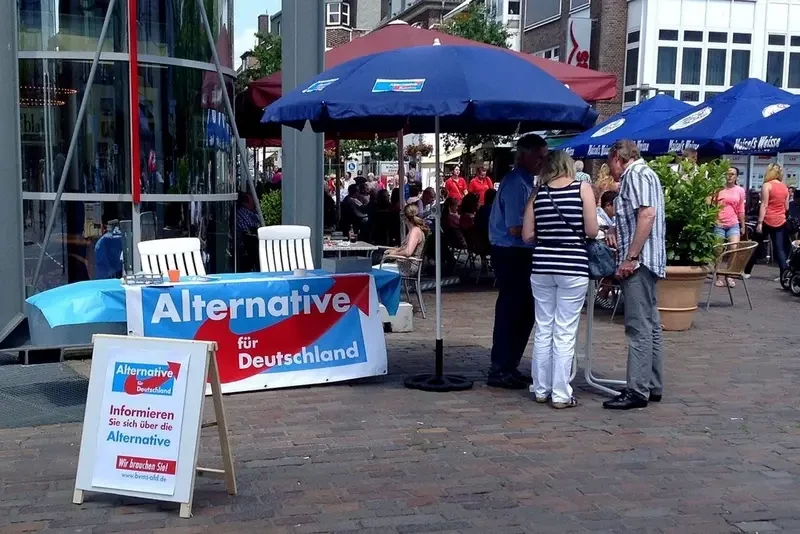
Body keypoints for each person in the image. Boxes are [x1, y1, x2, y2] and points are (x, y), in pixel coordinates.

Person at [522, 150, 598, 408]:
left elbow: (527, 236)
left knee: (544, 328)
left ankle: (541, 389)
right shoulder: (582, 189)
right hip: (573, 265)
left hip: (542, 265)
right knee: (565, 331)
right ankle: (561, 393)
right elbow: (591, 229)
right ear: (568, 166)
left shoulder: (537, 194)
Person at [602, 139, 666, 411]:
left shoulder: (636, 174)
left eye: (610, 164)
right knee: (650, 323)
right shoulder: (646, 174)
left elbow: (647, 215)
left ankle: (637, 389)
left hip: (639, 262)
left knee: (638, 325)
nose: (611, 172)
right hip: (648, 259)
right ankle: (650, 384)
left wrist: (631, 256)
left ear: (618, 157)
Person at [487, 134, 548, 389]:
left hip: (520, 252)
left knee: (524, 313)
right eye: (539, 156)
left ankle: (509, 365)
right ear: (524, 155)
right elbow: (515, 228)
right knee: (512, 312)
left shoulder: (526, 182)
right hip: (512, 253)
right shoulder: (516, 184)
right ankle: (501, 368)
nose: (543, 161)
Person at [756, 163, 791, 280]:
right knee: (779, 248)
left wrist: (760, 222)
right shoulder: (785, 187)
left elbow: (764, 205)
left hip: (767, 219)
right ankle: (784, 275)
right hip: (781, 220)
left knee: (756, 244)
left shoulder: (767, 186)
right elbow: (786, 207)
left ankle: (746, 270)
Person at [713, 167, 746, 287]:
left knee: (734, 248)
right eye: (728, 174)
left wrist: (743, 225)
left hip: (733, 223)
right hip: (719, 223)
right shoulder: (718, 189)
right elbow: (712, 206)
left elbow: (741, 209)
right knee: (718, 251)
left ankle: (729, 275)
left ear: (736, 176)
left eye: (732, 174)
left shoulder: (740, 190)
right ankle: (719, 276)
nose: (730, 176)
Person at [383, 204, 429, 277]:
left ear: (405, 218)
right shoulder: (414, 230)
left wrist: (394, 254)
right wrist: (395, 249)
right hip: (406, 265)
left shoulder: (415, 231)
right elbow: (407, 248)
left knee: (376, 270)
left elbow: (408, 252)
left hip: (408, 267)